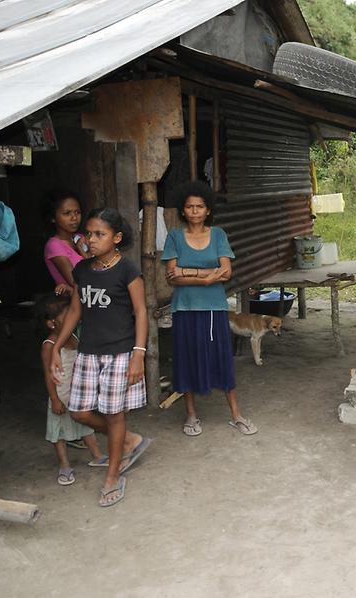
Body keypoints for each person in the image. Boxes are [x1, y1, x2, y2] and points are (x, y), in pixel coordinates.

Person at [50, 208, 151, 507]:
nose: (91, 240)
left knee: (113, 414)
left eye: (99, 234)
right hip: (89, 352)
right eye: (89, 233)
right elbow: (76, 310)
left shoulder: (128, 270)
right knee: (78, 411)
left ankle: (112, 475)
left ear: (116, 238)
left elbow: (141, 312)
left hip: (120, 352)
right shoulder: (81, 270)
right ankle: (129, 440)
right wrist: (56, 346)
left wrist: (139, 354)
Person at [162, 182, 256, 437]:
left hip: (214, 308)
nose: (194, 211)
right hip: (185, 309)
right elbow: (172, 277)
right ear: (183, 210)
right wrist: (204, 276)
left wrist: (187, 271)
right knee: (187, 359)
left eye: (199, 207)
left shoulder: (218, 235)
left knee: (222, 359)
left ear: (207, 210)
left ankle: (236, 414)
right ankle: (191, 415)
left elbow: (226, 272)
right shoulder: (174, 237)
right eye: (190, 207)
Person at [36, 294, 107, 486]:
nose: (72, 320)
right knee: (58, 433)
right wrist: (55, 399)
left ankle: (98, 456)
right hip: (60, 394)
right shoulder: (49, 346)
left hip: (76, 392)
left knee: (85, 425)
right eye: (66, 317)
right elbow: (48, 376)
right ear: (52, 323)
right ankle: (65, 466)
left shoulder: (74, 337)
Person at [42, 189, 90, 296]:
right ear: (53, 218)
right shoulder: (54, 245)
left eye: (77, 212)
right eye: (67, 213)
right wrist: (84, 253)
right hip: (75, 305)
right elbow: (77, 282)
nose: (74, 218)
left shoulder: (80, 238)